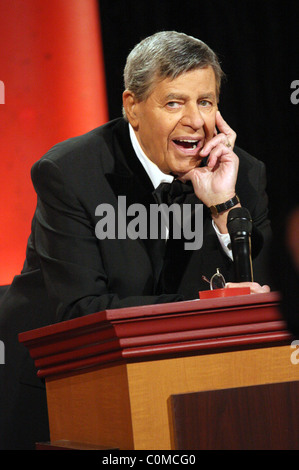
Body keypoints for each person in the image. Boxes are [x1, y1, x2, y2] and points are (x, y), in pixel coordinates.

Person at [0, 31, 272, 449]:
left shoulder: (241, 175)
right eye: (174, 102)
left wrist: (223, 206)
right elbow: (80, 310)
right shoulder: (70, 173)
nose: (197, 122)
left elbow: (260, 304)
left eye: (206, 102)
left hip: (182, 391)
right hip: (60, 385)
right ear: (133, 107)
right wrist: (206, 308)